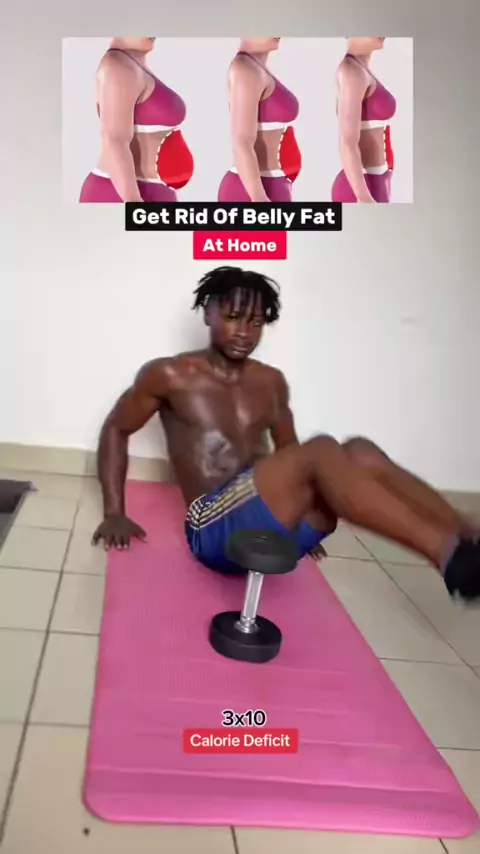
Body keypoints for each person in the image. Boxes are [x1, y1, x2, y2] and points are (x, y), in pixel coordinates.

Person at [92, 266, 480, 601]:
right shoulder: (168, 375)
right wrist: (114, 513)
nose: (245, 332)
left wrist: (300, 505)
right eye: (233, 317)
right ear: (208, 313)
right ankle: (447, 556)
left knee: (360, 450)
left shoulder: (271, 382)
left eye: (256, 322)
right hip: (211, 530)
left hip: (273, 527)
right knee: (323, 448)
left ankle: (464, 530)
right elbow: (116, 428)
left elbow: (289, 452)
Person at [79, 37, 194, 203]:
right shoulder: (117, 66)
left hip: (154, 192)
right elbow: (115, 139)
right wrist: (133, 201)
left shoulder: (133, 66)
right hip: (122, 194)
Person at [218, 38, 301, 202]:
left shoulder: (257, 68)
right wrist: (259, 198)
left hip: (274, 185)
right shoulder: (245, 69)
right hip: (252, 191)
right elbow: (241, 141)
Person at [332, 37, 396, 203]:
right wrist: (363, 196)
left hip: (378, 181)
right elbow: (347, 141)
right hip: (361, 189)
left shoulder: (361, 70)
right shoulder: (352, 71)